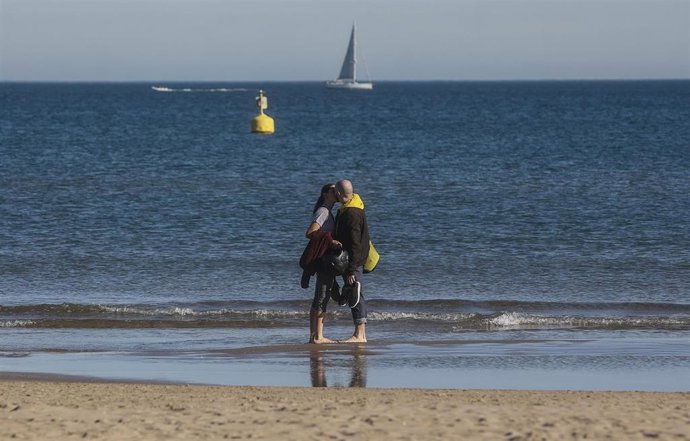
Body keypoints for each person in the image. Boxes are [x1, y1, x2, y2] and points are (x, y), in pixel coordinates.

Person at [333, 179, 370, 343]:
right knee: (353, 293)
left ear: (339, 194)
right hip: (352, 260)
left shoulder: (352, 213)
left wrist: (351, 269)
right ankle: (359, 333)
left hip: (353, 261)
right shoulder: (349, 207)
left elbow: (355, 243)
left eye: (336, 192)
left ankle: (359, 335)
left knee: (356, 294)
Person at [303, 183, 339, 344]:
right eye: (333, 190)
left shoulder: (327, 211)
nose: (336, 192)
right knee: (322, 296)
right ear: (325, 194)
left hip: (324, 259)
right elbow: (310, 232)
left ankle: (313, 335)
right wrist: (331, 241)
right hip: (323, 259)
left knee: (320, 295)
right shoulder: (323, 211)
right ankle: (318, 337)